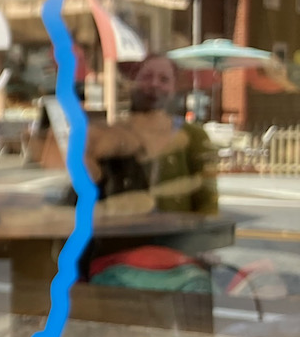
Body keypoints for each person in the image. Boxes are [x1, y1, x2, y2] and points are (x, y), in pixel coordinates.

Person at [87, 53, 218, 217]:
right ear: (133, 82)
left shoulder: (194, 137)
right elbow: (93, 191)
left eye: (164, 79)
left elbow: (207, 202)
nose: (154, 84)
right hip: (121, 235)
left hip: (173, 238)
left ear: (174, 88)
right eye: (147, 77)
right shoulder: (113, 135)